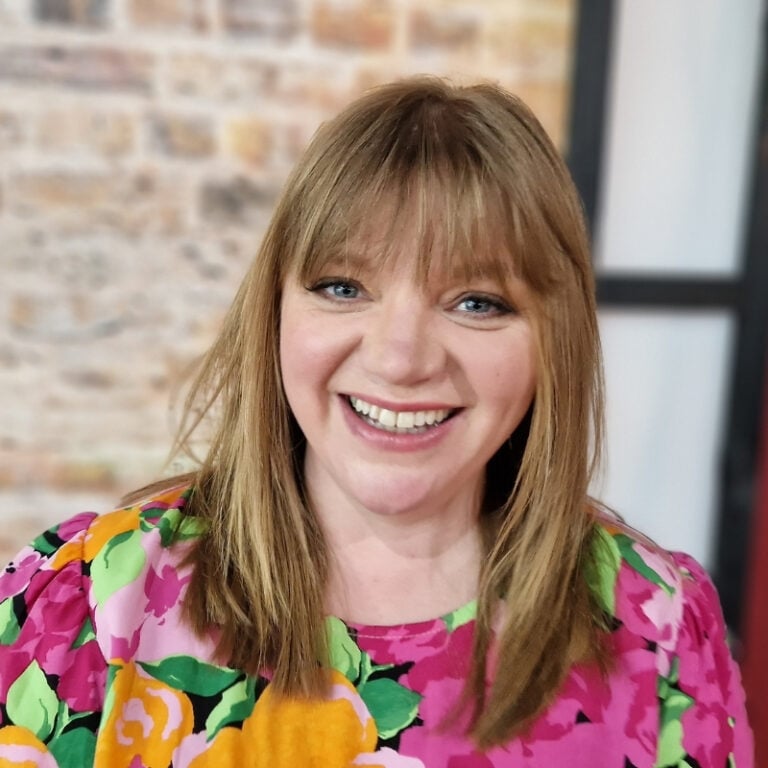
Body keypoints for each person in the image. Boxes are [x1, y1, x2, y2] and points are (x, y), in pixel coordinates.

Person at [0, 77, 753, 767]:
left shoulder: (658, 630)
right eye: (342, 286)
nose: (400, 359)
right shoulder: (84, 609)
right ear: (276, 315)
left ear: (552, 343)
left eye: (476, 302)